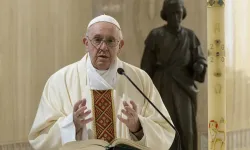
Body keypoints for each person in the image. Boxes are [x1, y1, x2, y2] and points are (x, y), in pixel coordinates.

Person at [28, 14, 175, 150]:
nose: (103, 47)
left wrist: (138, 127)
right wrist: (72, 124)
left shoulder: (139, 79)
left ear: (120, 46)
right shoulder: (60, 81)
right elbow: (40, 138)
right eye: (97, 40)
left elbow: (165, 131)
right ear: (86, 43)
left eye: (111, 41)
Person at [140, 0, 207, 150]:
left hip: (184, 88)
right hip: (162, 87)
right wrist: (146, 93)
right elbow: (145, 68)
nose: (176, 17)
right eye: (173, 13)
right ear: (166, 15)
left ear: (183, 13)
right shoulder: (156, 35)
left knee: (187, 130)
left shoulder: (190, 36)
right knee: (166, 127)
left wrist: (200, 65)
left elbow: (200, 58)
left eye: (179, 13)